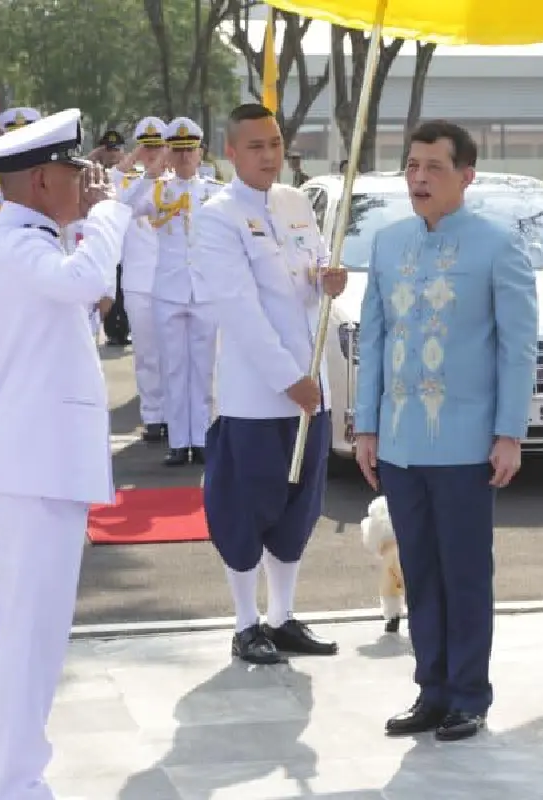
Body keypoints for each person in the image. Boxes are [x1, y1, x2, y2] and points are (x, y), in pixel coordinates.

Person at [0, 107, 129, 800]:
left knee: (34, 637)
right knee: (28, 638)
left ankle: (15, 779)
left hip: (36, 463)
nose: (85, 182)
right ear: (40, 181)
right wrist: (109, 215)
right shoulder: (18, 248)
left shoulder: (25, 246)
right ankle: (12, 785)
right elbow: (84, 283)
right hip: (36, 468)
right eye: (72, 171)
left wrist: (6, 428)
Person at [354, 119, 538, 742]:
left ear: (466, 176)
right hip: (400, 442)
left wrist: (509, 432)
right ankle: (430, 690)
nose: (420, 178)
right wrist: (367, 426)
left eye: (434, 166)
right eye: (412, 166)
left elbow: (517, 347)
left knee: (464, 574)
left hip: (465, 442)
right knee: (418, 571)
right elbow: (374, 340)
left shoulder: (497, 246)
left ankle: (468, 695)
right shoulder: (387, 244)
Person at [190, 103, 345, 664]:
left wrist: (329, 279)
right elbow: (239, 310)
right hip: (257, 395)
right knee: (245, 508)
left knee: (298, 508)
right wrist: (287, 378)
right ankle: (245, 621)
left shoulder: (296, 203)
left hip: (310, 386)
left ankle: (282, 616)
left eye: (275, 143)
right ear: (230, 152)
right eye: (255, 146)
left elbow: (314, 272)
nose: (268, 155)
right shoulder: (218, 217)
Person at [119, 116, 223, 466]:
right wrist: (150, 173)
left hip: (205, 291)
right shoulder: (157, 189)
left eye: (189, 151)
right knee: (173, 368)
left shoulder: (215, 192)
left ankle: (203, 437)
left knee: (204, 369)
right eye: (177, 151)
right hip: (168, 291)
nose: (184, 158)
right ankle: (179, 441)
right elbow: (123, 208)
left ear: (200, 152)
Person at [110, 117, 167, 443]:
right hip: (138, 280)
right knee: (146, 354)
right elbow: (118, 200)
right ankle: (153, 415)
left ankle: (175, 414)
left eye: (158, 146)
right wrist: (137, 162)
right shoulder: (128, 183)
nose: (152, 152)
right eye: (147, 146)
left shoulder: (178, 181)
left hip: (172, 280)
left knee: (173, 353)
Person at [92, 128, 131, 345]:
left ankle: (123, 328)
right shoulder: (94, 172)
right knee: (108, 282)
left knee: (124, 284)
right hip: (104, 236)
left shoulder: (130, 172)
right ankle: (110, 328)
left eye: (116, 150)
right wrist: (95, 155)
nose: (113, 154)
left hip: (125, 237)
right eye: (109, 150)